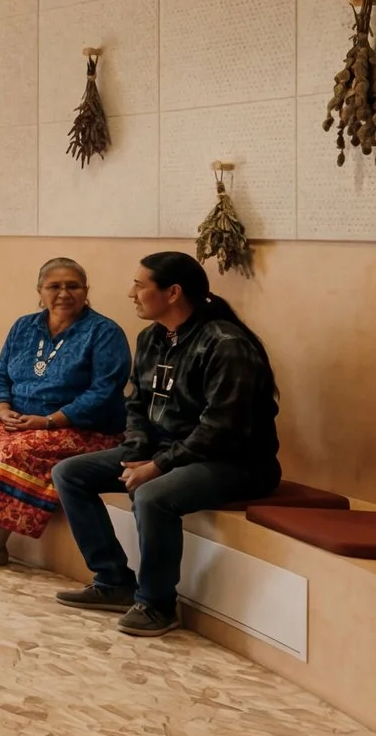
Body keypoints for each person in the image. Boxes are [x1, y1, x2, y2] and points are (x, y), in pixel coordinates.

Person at [51, 253, 281, 639]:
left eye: (140, 286)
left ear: (173, 293)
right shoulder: (152, 337)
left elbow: (221, 430)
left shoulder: (226, 345)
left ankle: (157, 604)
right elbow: (137, 403)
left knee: (153, 495)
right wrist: (139, 452)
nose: (131, 293)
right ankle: (113, 580)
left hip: (235, 462)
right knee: (70, 473)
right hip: (168, 452)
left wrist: (157, 467)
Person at [0, 258, 131, 569]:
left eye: (73, 286)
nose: (64, 293)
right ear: (39, 291)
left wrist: (50, 420)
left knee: (14, 452)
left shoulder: (104, 332)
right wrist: (1, 408)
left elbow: (104, 391)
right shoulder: (24, 326)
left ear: (86, 291)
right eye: (54, 286)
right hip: (19, 419)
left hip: (80, 428)